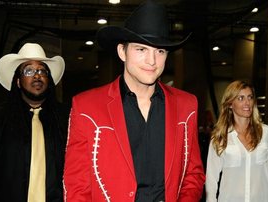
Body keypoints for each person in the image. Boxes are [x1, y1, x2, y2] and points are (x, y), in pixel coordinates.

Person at [63, 0, 205, 201]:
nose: (152, 61)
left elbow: (193, 174)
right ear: (122, 52)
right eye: (141, 49)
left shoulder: (187, 105)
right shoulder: (86, 106)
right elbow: (76, 185)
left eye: (160, 51)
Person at [0, 43, 69, 202]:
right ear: (17, 81)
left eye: (42, 70)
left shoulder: (65, 120)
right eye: (28, 70)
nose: (37, 75)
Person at [205, 80, 268, 202]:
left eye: (250, 97)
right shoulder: (221, 137)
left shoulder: (266, 133)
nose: (247, 103)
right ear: (230, 104)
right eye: (241, 98)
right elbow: (211, 179)